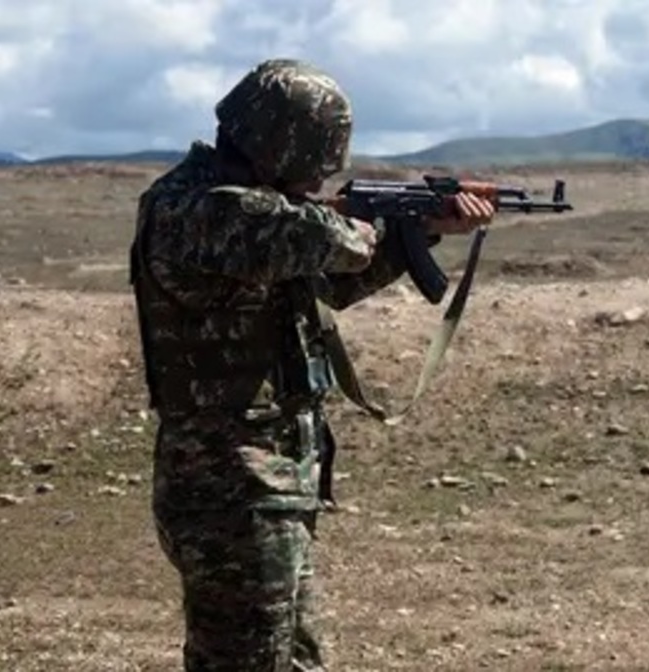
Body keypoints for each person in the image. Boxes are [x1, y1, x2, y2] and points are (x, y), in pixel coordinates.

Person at [128, 58, 494, 670]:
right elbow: (335, 242)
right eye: (317, 160)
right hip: (229, 485)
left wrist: (420, 232)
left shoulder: (256, 219)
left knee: (297, 660)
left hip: (270, 482)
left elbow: (327, 281)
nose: (319, 175)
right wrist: (391, 215)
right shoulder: (196, 209)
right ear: (281, 144)